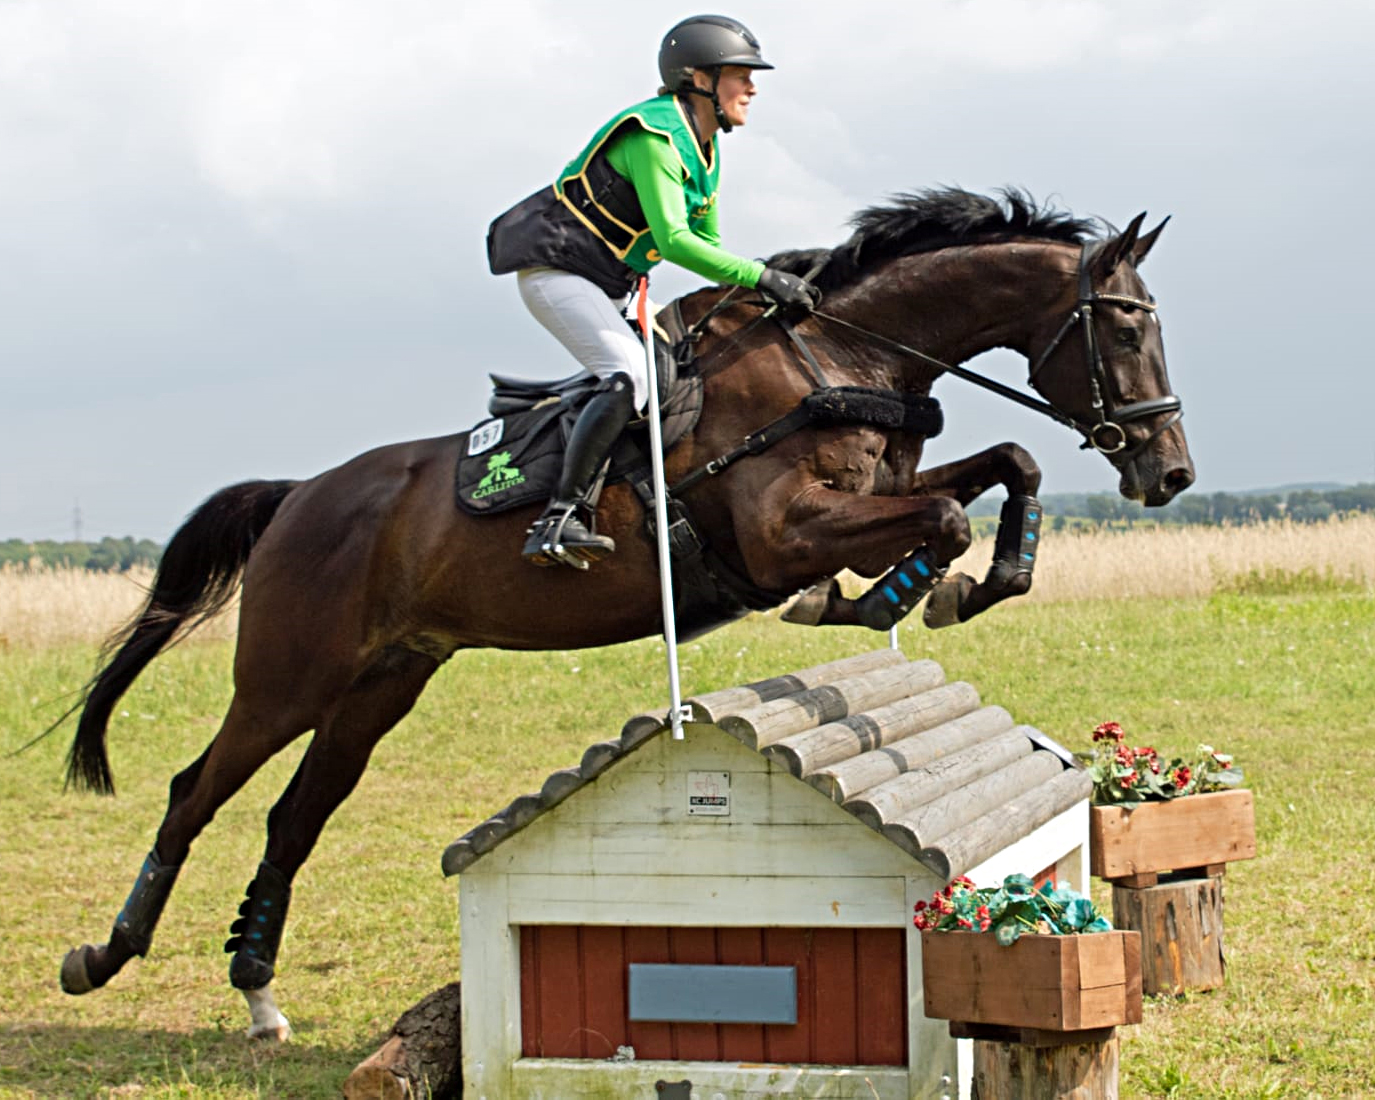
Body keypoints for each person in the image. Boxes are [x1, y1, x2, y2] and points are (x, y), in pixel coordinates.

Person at [487, 13, 820, 568]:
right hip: (559, 274)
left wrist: (760, 291)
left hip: (610, 285)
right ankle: (559, 517)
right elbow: (677, 242)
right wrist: (763, 275)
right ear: (699, 79)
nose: (753, 87)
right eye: (741, 74)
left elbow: (709, 246)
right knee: (629, 376)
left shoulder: (705, 149)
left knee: (686, 368)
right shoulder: (654, 134)